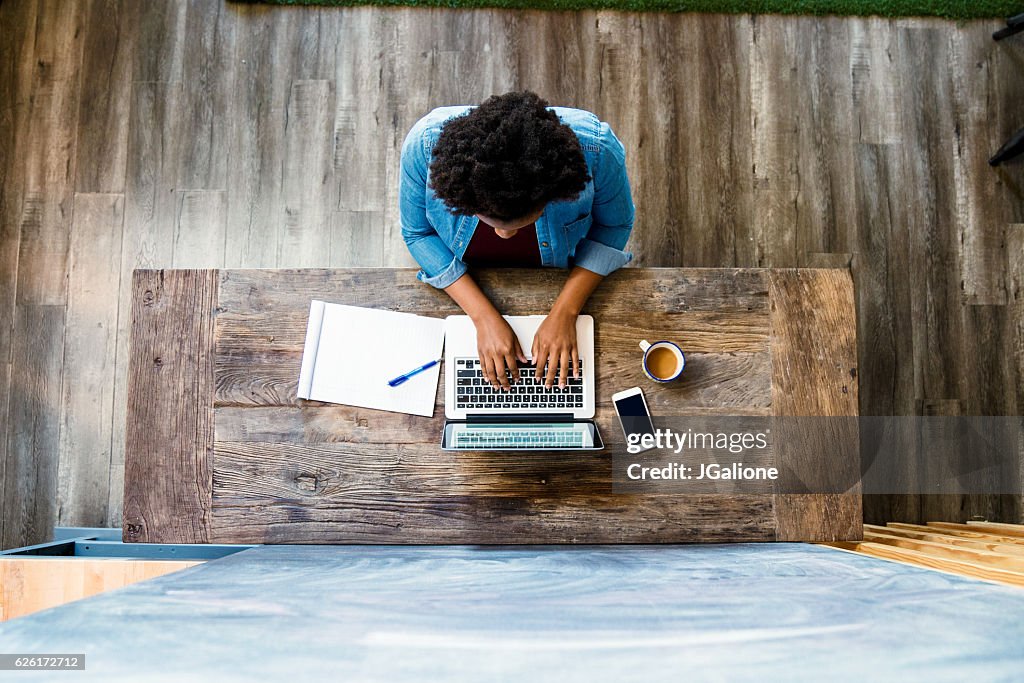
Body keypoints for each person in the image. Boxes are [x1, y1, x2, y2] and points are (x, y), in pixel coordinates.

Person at [399, 91, 635, 391]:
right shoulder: (424, 146)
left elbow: (615, 224)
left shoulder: (598, 149)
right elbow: (418, 233)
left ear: (554, 195)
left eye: (522, 223)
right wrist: (483, 318)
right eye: (491, 221)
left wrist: (566, 311)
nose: (504, 236)